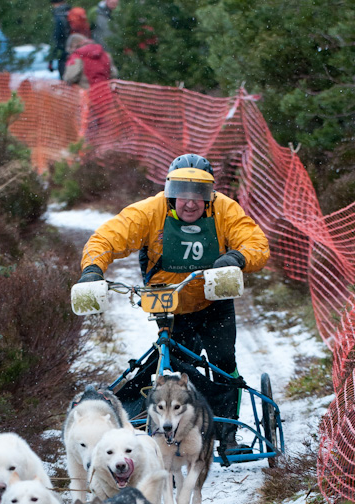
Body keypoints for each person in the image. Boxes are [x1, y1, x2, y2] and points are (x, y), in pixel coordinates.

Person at [75, 153, 270, 455]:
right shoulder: (150, 213)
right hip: (168, 305)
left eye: (199, 194)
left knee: (222, 364)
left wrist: (236, 257)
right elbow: (107, 238)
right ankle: (173, 432)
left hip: (214, 300)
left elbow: (255, 243)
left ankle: (227, 435)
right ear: (169, 193)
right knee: (178, 370)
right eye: (181, 193)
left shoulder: (225, 211)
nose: (190, 202)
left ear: (210, 195)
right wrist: (92, 269)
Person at [49, 0, 71, 79]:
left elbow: (55, 40)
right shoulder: (70, 12)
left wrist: (51, 60)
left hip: (63, 55)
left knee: (65, 82)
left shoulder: (58, 16)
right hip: (75, 54)